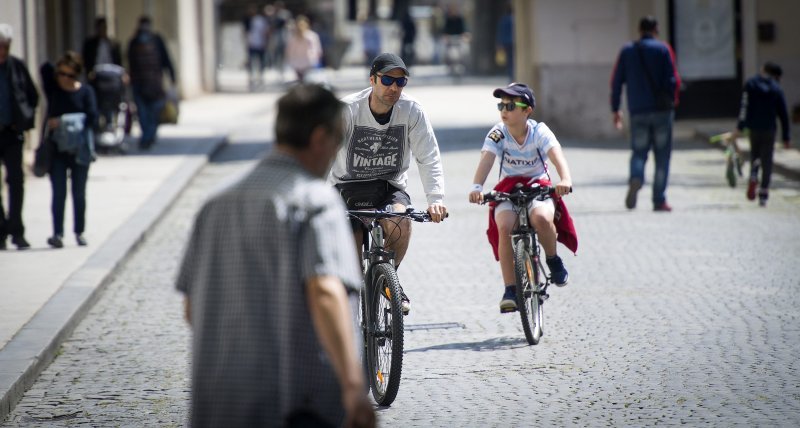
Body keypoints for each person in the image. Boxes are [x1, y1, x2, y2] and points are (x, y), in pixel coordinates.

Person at [176, 84, 375, 428]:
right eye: (338, 140)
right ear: (319, 138)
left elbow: (193, 309)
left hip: (220, 406)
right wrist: (354, 387)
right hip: (296, 408)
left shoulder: (215, 203)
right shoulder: (315, 200)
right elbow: (325, 292)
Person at [329, 52, 447, 315]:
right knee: (350, 256)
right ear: (372, 80)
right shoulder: (347, 110)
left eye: (400, 82)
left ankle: (387, 278)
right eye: (387, 80)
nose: (394, 87)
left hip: (388, 187)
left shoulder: (411, 110)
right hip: (347, 188)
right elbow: (322, 154)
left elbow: (428, 156)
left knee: (401, 222)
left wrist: (435, 199)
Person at [468, 83, 575, 313]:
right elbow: (487, 159)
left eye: (510, 105)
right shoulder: (498, 132)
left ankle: (553, 259)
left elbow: (556, 156)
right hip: (509, 189)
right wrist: (477, 186)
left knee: (541, 218)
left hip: (538, 186)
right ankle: (510, 290)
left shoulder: (540, 131)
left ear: (527, 110)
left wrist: (565, 179)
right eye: (501, 105)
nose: (504, 110)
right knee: (505, 226)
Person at [610, 16, 680, 212]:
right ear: (656, 30)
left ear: (639, 30)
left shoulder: (627, 51)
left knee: (639, 152)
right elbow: (673, 79)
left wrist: (616, 108)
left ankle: (636, 177)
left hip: (638, 110)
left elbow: (616, 81)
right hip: (662, 111)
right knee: (662, 156)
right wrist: (672, 101)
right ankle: (659, 200)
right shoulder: (663, 49)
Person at [40, 52, 97, 248]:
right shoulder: (54, 90)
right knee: (58, 192)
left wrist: (65, 121)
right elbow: (44, 68)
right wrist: (59, 67)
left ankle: (79, 231)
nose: (65, 78)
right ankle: (57, 233)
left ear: (77, 76)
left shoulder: (86, 92)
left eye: (70, 75)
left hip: (80, 150)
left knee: (79, 193)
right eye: (62, 74)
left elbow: (93, 118)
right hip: (57, 150)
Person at [0, 23, 38, 250]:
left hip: (12, 134)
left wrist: (24, 119)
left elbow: (33, 97)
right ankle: (0, 229)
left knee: (16, 182)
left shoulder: (17, 67)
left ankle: (17, 230)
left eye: (4, 46)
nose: (1, 51)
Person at [733, 61, 791, 206]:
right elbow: (783, 114)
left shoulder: (751, 84)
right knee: (767, 159)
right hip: (769, 129)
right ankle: (764, 192)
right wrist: (786, 136)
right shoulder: (776, 88)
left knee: (755, 155)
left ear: (763, 69)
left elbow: (744, 107)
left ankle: (753, 176)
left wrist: (740, 126)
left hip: (754, 128)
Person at [127, 16, 175, 150]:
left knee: (153, 113)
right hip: (139, 84)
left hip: (154, 84)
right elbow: (130, 63)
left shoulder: (157, 41)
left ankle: (149, 136)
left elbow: (166, 59)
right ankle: (146, 137)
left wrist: (172, 75)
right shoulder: (134, 43)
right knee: (143, 113)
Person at [284, 15, 322, 82]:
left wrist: (290, 59)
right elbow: (317, 49)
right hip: (307, 61)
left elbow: (289, 50)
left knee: (301, 80)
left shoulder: (294, 37)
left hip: (298, 61)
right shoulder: (311, 36)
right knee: (307, 80)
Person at [243, 4, 269, 89]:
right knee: (251, 62)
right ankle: (251, 78)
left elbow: (265, 32)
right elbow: (245, 32)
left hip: (260, 44)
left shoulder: (260, 20)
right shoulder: (248, 20)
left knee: (261, 62)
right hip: (252, 44)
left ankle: (260, 77)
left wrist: (265, 42)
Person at [495, 3, 514, 82]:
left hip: (505, 42)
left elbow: (500, 32)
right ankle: (513, 76)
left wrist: (499, 43)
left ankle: (511, 77)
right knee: (514, 60)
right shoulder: (514, 19)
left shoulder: (503, 19)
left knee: (509, 61)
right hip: (513, 42)